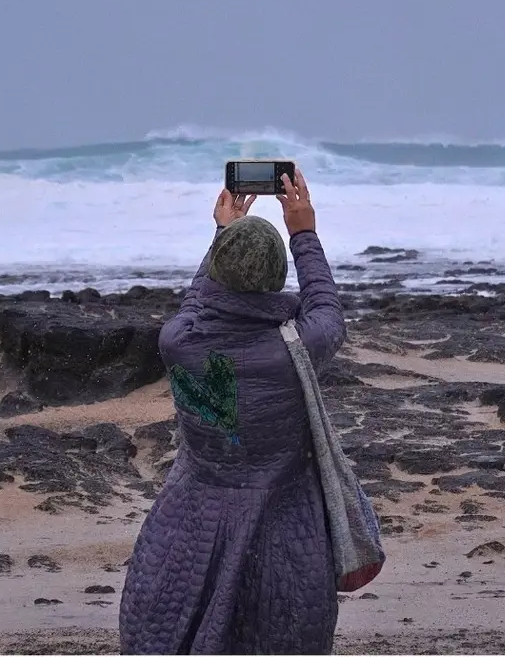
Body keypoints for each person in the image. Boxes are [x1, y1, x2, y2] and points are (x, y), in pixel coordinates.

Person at [119, 169, 347, 654]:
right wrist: (304, 232)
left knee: (171, 628)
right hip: (284, 522)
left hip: (191, 517)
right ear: (276, 278)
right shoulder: (299, 349)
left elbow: (197, 301)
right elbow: (326, 307)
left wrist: (222, 234)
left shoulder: (178, 341)